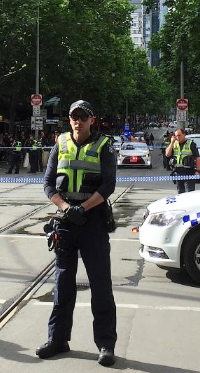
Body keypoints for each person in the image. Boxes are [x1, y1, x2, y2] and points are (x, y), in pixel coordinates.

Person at [37, 100, 117, 367]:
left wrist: (82, 208)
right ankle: (58, 339)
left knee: (101, 285)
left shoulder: (104, 146)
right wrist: (64, 207)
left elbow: (108, 184)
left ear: (92, 120)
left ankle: (105, 344)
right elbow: (48, 184)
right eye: (74, 116)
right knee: (62, 284)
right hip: (66, 223)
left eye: (83, 116)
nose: (78, 121)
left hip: (92, 221)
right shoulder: (59, 143)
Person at [165, 128, 200, 193]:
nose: (177, 137)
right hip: (178, 172)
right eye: (176, 136)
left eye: (179, 135)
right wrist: (172, 142)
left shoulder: (191, 144)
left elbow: (197, 157)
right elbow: (167, 154)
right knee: (180, 193)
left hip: (189, 172)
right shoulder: (174, 144)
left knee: (189, 193)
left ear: (184, 134)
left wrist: (198, 170)